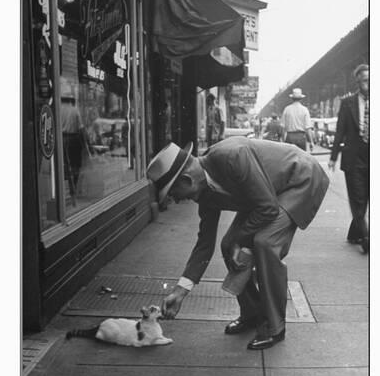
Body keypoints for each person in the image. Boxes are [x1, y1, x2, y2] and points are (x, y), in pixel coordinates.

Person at [146, 137, 329, 350]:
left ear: (187, 181)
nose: (175, 200)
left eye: (173, 194)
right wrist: (180, 291)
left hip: (299, 179)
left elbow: (268, 208)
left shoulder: (232, 156)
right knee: (227, 245)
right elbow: (204, 245)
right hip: (265, 195)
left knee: (265, 243)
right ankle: (252, 313)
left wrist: (241, 240)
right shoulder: (204, 193)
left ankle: (274, 326)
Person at [328, 64, 369, 253]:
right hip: (354, 157)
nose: (367, 83)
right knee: (357, 198)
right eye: (364, 80)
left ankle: (355, 233)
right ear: (358, 82)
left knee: (366, 198)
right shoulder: (348, 103)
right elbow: (340, 132)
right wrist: (333, 157)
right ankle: (367, 237)